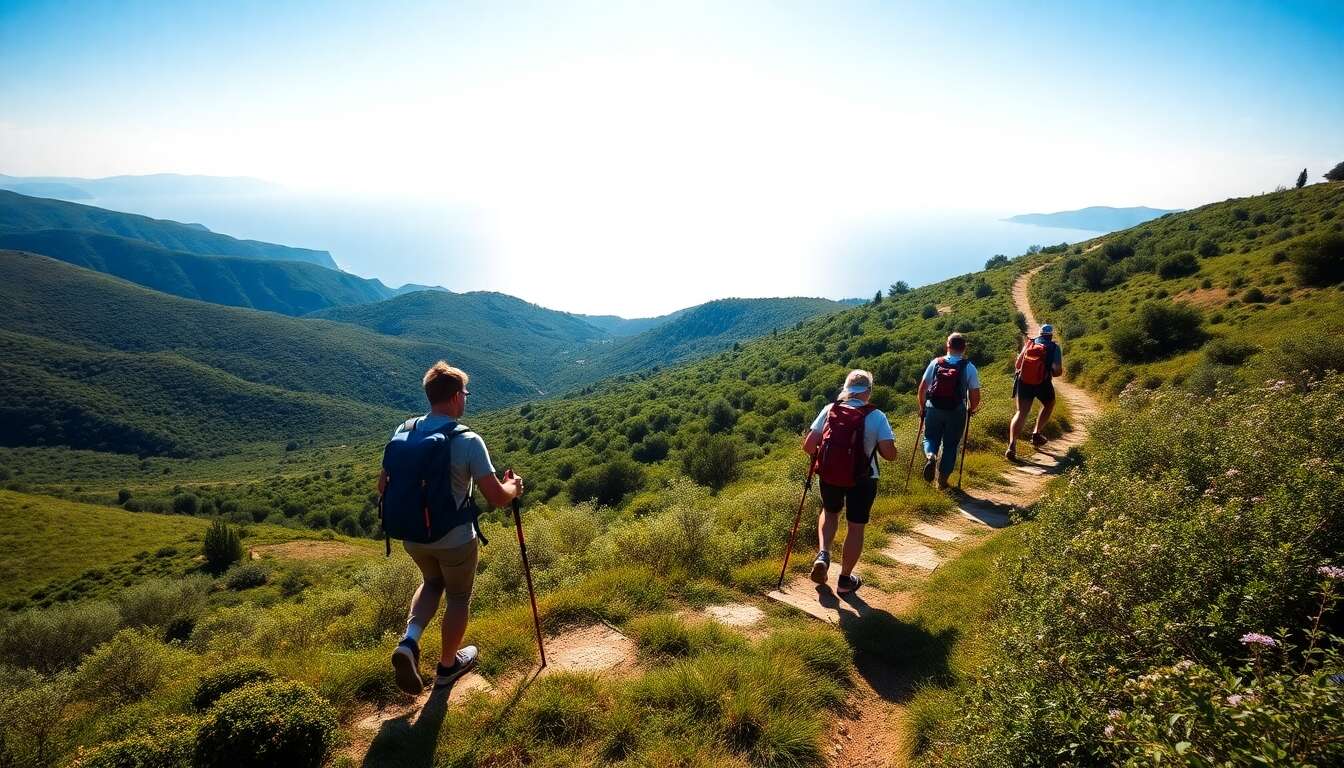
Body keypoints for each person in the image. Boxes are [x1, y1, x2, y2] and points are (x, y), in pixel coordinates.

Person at [378, 362, 524, 695]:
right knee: (458, 597)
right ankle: (447, 666)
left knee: (431, 582)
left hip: (412, 535)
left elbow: (381, 486)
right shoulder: (468, 439)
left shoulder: (404, 431)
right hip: (455, 538)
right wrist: (514, 486)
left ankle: (410, 641)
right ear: (457, 397)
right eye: (465, 395)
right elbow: (496, 498)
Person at [802, 369, 897, 594]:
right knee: (855, 527)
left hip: (830, 475)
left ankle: (823, 554)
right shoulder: (877, 416)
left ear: (846, 390)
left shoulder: (829, 409)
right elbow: (890, 455)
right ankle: (844, 581)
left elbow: (808, 446)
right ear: (868, 391)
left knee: (830, 511)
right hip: (863, 479)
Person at [917, 333, 982, 489]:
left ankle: (930, 455)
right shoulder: (969, 367)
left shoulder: (936, 363)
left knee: (930, 438)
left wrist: (922, 407)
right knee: (951, 445)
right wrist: (971, 409)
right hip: (956, 410)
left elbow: (922, 388)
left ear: (948, 345)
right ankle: (942, 482)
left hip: (933, 407)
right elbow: (975, 394)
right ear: (964, 348)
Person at [1006, 323, 1063, 460]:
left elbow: (1018, 365)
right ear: (1051, 335)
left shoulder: (1030, 343)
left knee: (1021, 412)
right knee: (1049, 404)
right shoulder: (1054, 347)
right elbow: (1057, 370)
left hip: (1024, 382)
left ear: (1040, 333)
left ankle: (1012, 446)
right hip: (1042, 383)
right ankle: (1036, 433)